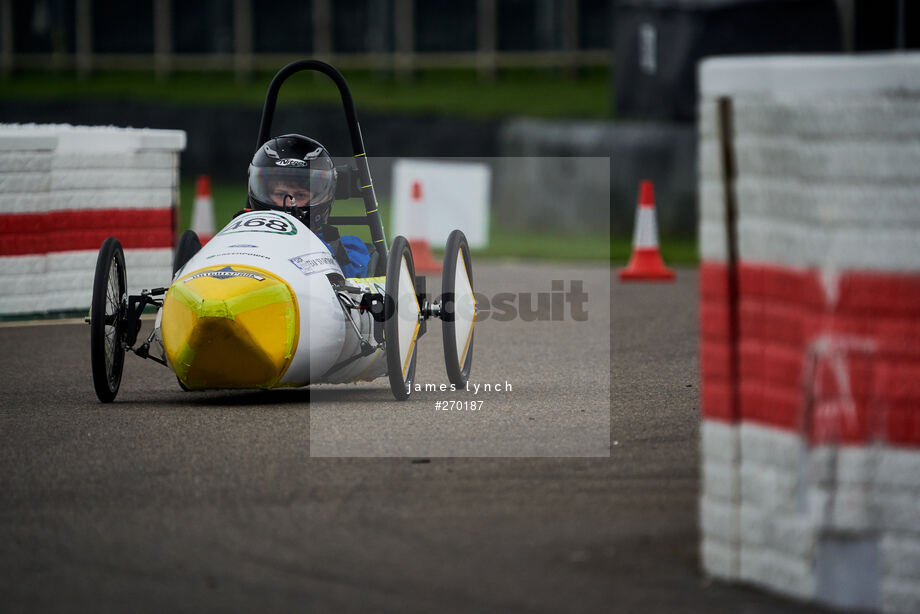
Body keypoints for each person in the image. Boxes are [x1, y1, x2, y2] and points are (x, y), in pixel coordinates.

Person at [245, 134, 370, 278]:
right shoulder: (241, 236)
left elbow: (349, 277)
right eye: (280, 194)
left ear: (321, 197)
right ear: (264, 193)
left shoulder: (346, 248)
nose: (289, 202)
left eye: (300, 196)